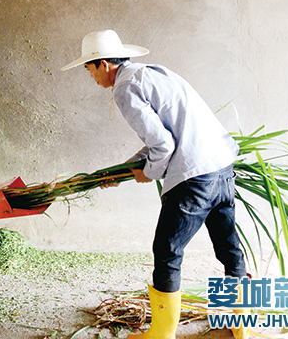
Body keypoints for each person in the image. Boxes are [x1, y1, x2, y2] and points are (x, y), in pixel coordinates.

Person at [61, 30, 248, 339]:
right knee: (229, 249)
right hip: (222, 168)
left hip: (194, 178)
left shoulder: (124, 88)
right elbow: (166, 134)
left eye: (89, 68)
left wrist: (147, 173)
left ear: (103, 64)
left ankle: (161, 334)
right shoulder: (151, 74)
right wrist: (124, 170)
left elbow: (163, 145)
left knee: (167, 251)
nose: (91, 76)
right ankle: (242, 325)